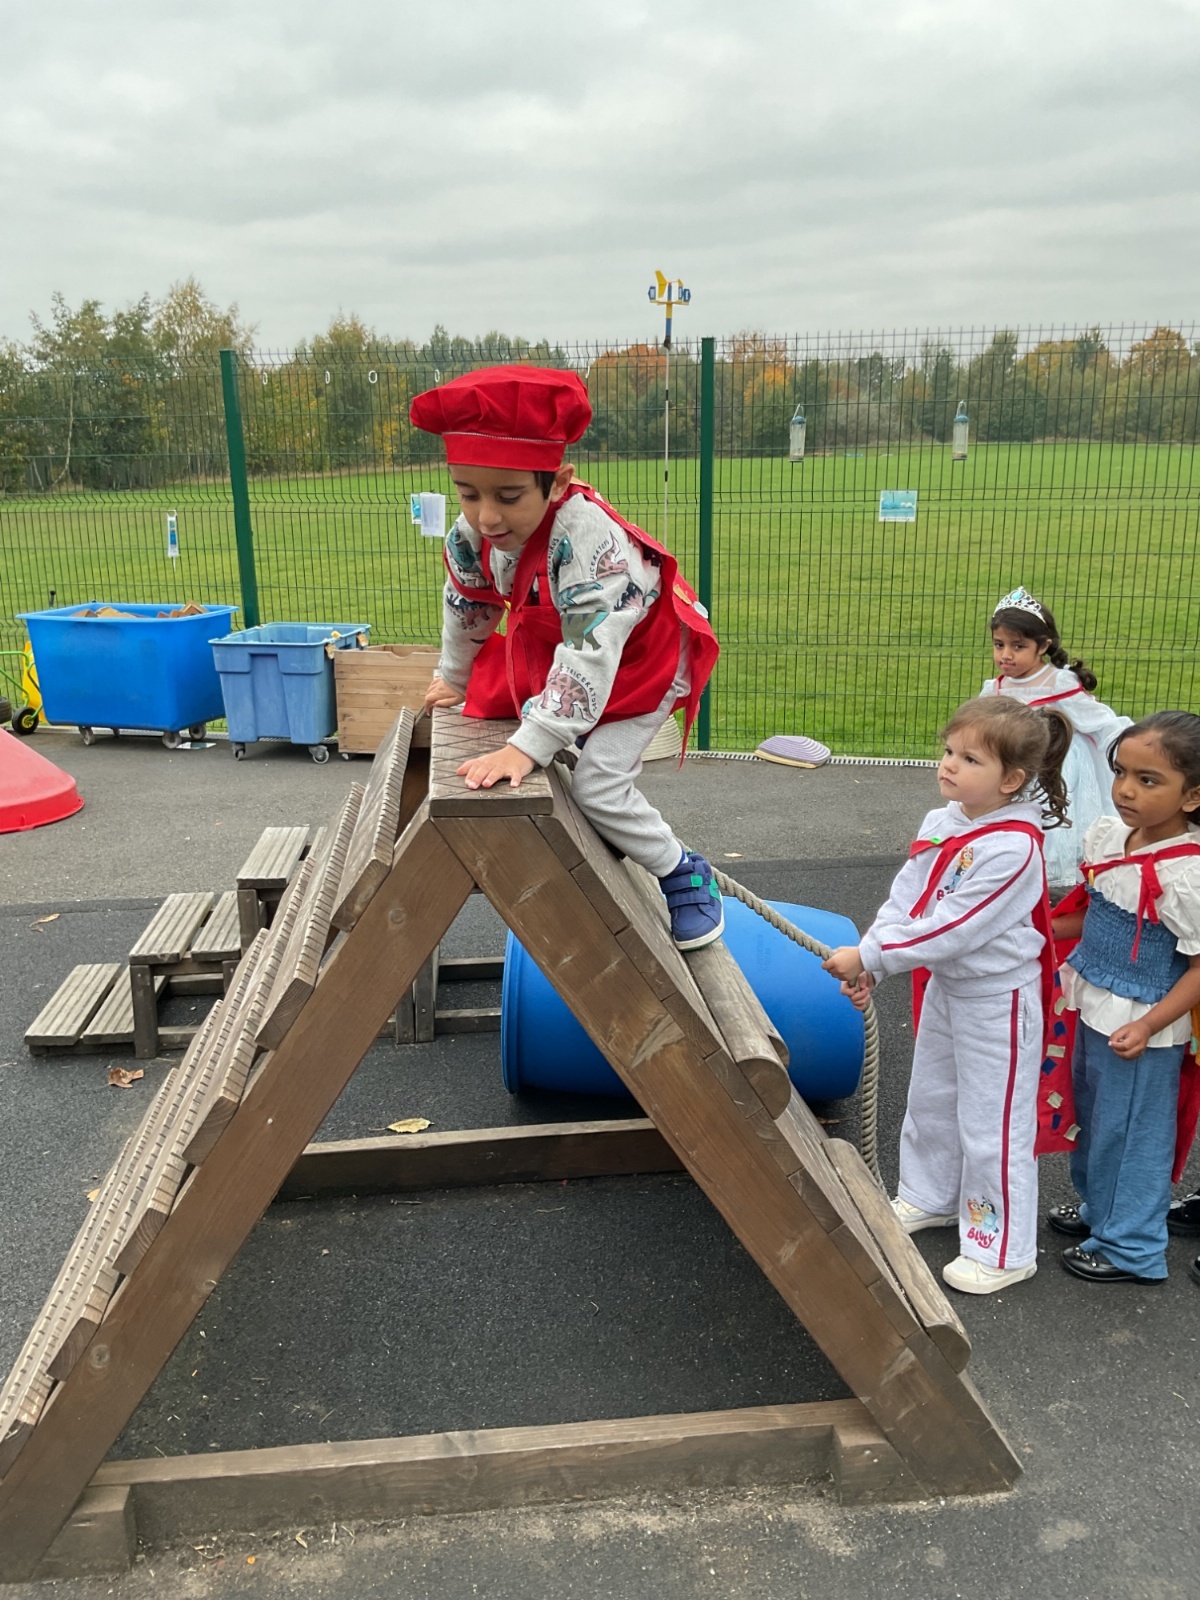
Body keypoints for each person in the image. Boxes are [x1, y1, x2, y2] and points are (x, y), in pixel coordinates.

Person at [410, 364, 724, 951]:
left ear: (557, 483)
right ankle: (609, 832)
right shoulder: (474, 534)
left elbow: (588, 649)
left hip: (644, 661)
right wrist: (453, 676)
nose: (486, 516)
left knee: (598, 785)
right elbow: (468, 603)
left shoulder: (587, 541)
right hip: (586, 656)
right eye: (468, 493)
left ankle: (681, 870)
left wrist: (530, 744)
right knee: (518, 724)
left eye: (508, 497)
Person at [823, 697, 1072, 1295]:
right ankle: (929, 1195)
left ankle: (1001, 1247)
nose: (949, 765)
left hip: (997, 1001)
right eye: (948, 751)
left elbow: (954, 926)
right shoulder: (944, 820)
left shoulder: (1013, 847)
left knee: (992, 1124)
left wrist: (873, 957)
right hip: (947, 988)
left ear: (1011, 780)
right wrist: (873, 960)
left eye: (970, 759)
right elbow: (907, 901)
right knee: (932, 1099)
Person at [1045, 712, 1200, 1284]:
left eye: (1148, 780)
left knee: (1133, 1133)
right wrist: (1033, 928)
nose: (1126, 790)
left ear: (1193, 796)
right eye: (1121, 773)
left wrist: (1150, 1024)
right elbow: (1092, 916)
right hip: (1094, 1004)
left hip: (1143, 1025)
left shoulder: (1188, 876)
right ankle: (1099, 1213)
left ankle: (1132, 1246)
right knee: (1093, 1119)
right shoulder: (1110, 837)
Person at [983, 586, 1131, 894]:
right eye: (999, 645)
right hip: (1014, 763)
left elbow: (1099, 721)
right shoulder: (995, 688)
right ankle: (1012, 869)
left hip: (1058, 766)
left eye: (1018, 646)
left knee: (1052, 819)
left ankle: (1052, 885)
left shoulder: (1058, 682)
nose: (1006, 655)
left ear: (1042, 646)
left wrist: (1130, 746)